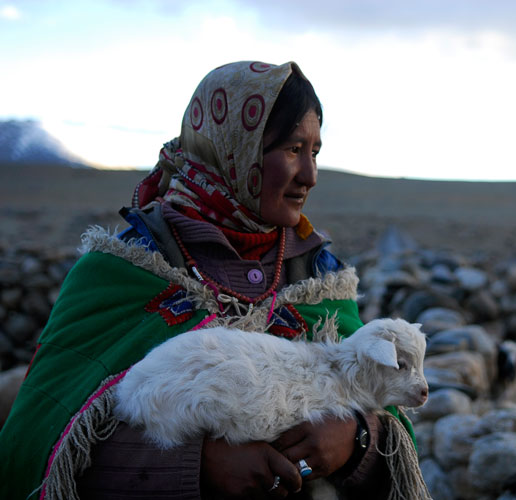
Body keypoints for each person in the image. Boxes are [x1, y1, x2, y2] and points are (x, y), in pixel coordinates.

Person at [0, 61, 423, 499]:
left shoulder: (320, 278)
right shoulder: (121, 272)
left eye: (314, 152)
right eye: (294, 149)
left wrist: (356, 439)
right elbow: (35, 442)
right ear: (234, 149)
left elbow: (395, 435)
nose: (310, 176)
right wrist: (194, 466)